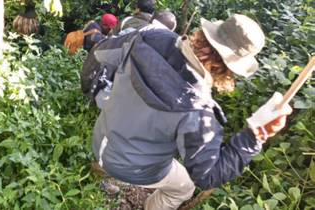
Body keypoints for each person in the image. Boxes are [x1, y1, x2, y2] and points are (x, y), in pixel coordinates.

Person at [82, 14, 292, 210]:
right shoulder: (197, 111)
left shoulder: (146, 36)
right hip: (127, 167)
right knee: (184, 188)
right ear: (229, 70)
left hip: (101, 139)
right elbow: (208, 176)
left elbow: (101, 53)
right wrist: (255, 135)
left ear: (205, 34)